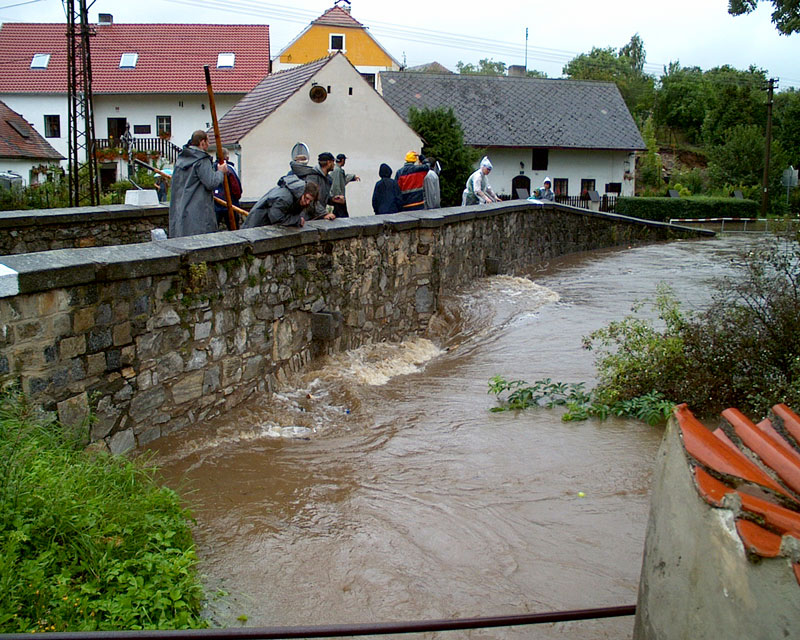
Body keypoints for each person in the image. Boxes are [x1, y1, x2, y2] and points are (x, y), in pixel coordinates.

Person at [169, 130, 228, 237]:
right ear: (202, 142)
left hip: (181, 208)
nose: (209, 145)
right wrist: (220, 172)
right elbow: (211, 182)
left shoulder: (181, 159)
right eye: (208, 142)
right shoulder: (201, 160)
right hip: (198, 211)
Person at [242, 175, 318, 228]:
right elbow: (277, 219)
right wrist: (297, 220)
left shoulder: (294, 194)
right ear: (302, 193)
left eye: (310, 201)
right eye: (307, 198)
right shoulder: (285, 198)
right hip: (256, 225)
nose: (307, 202)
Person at [290, 151, 336, 220]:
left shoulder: (327, 178)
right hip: (307, 218)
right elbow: (310, 199)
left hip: (316, 217)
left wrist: (333, 199)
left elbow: (322, 196)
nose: (334, 164)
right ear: (329, 162)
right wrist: (324, 214)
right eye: (333, 162)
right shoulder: (312, 177)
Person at [213, 148, 243, 229]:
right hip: (230, 203)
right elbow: (236, 187)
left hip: (215, 204)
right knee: (234, 229)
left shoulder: (212, 168)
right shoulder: (229, 169)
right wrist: (237, 197)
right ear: (227, 157)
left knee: (213, 230)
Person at [330, 153, 360, 218]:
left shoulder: (337, 169)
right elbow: (336, 185)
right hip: (339, 200)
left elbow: (343, 179)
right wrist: (340, 198)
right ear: (343, 160)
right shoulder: (337, 170)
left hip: (337, 199)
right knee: (343, 218)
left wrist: (353, 177)